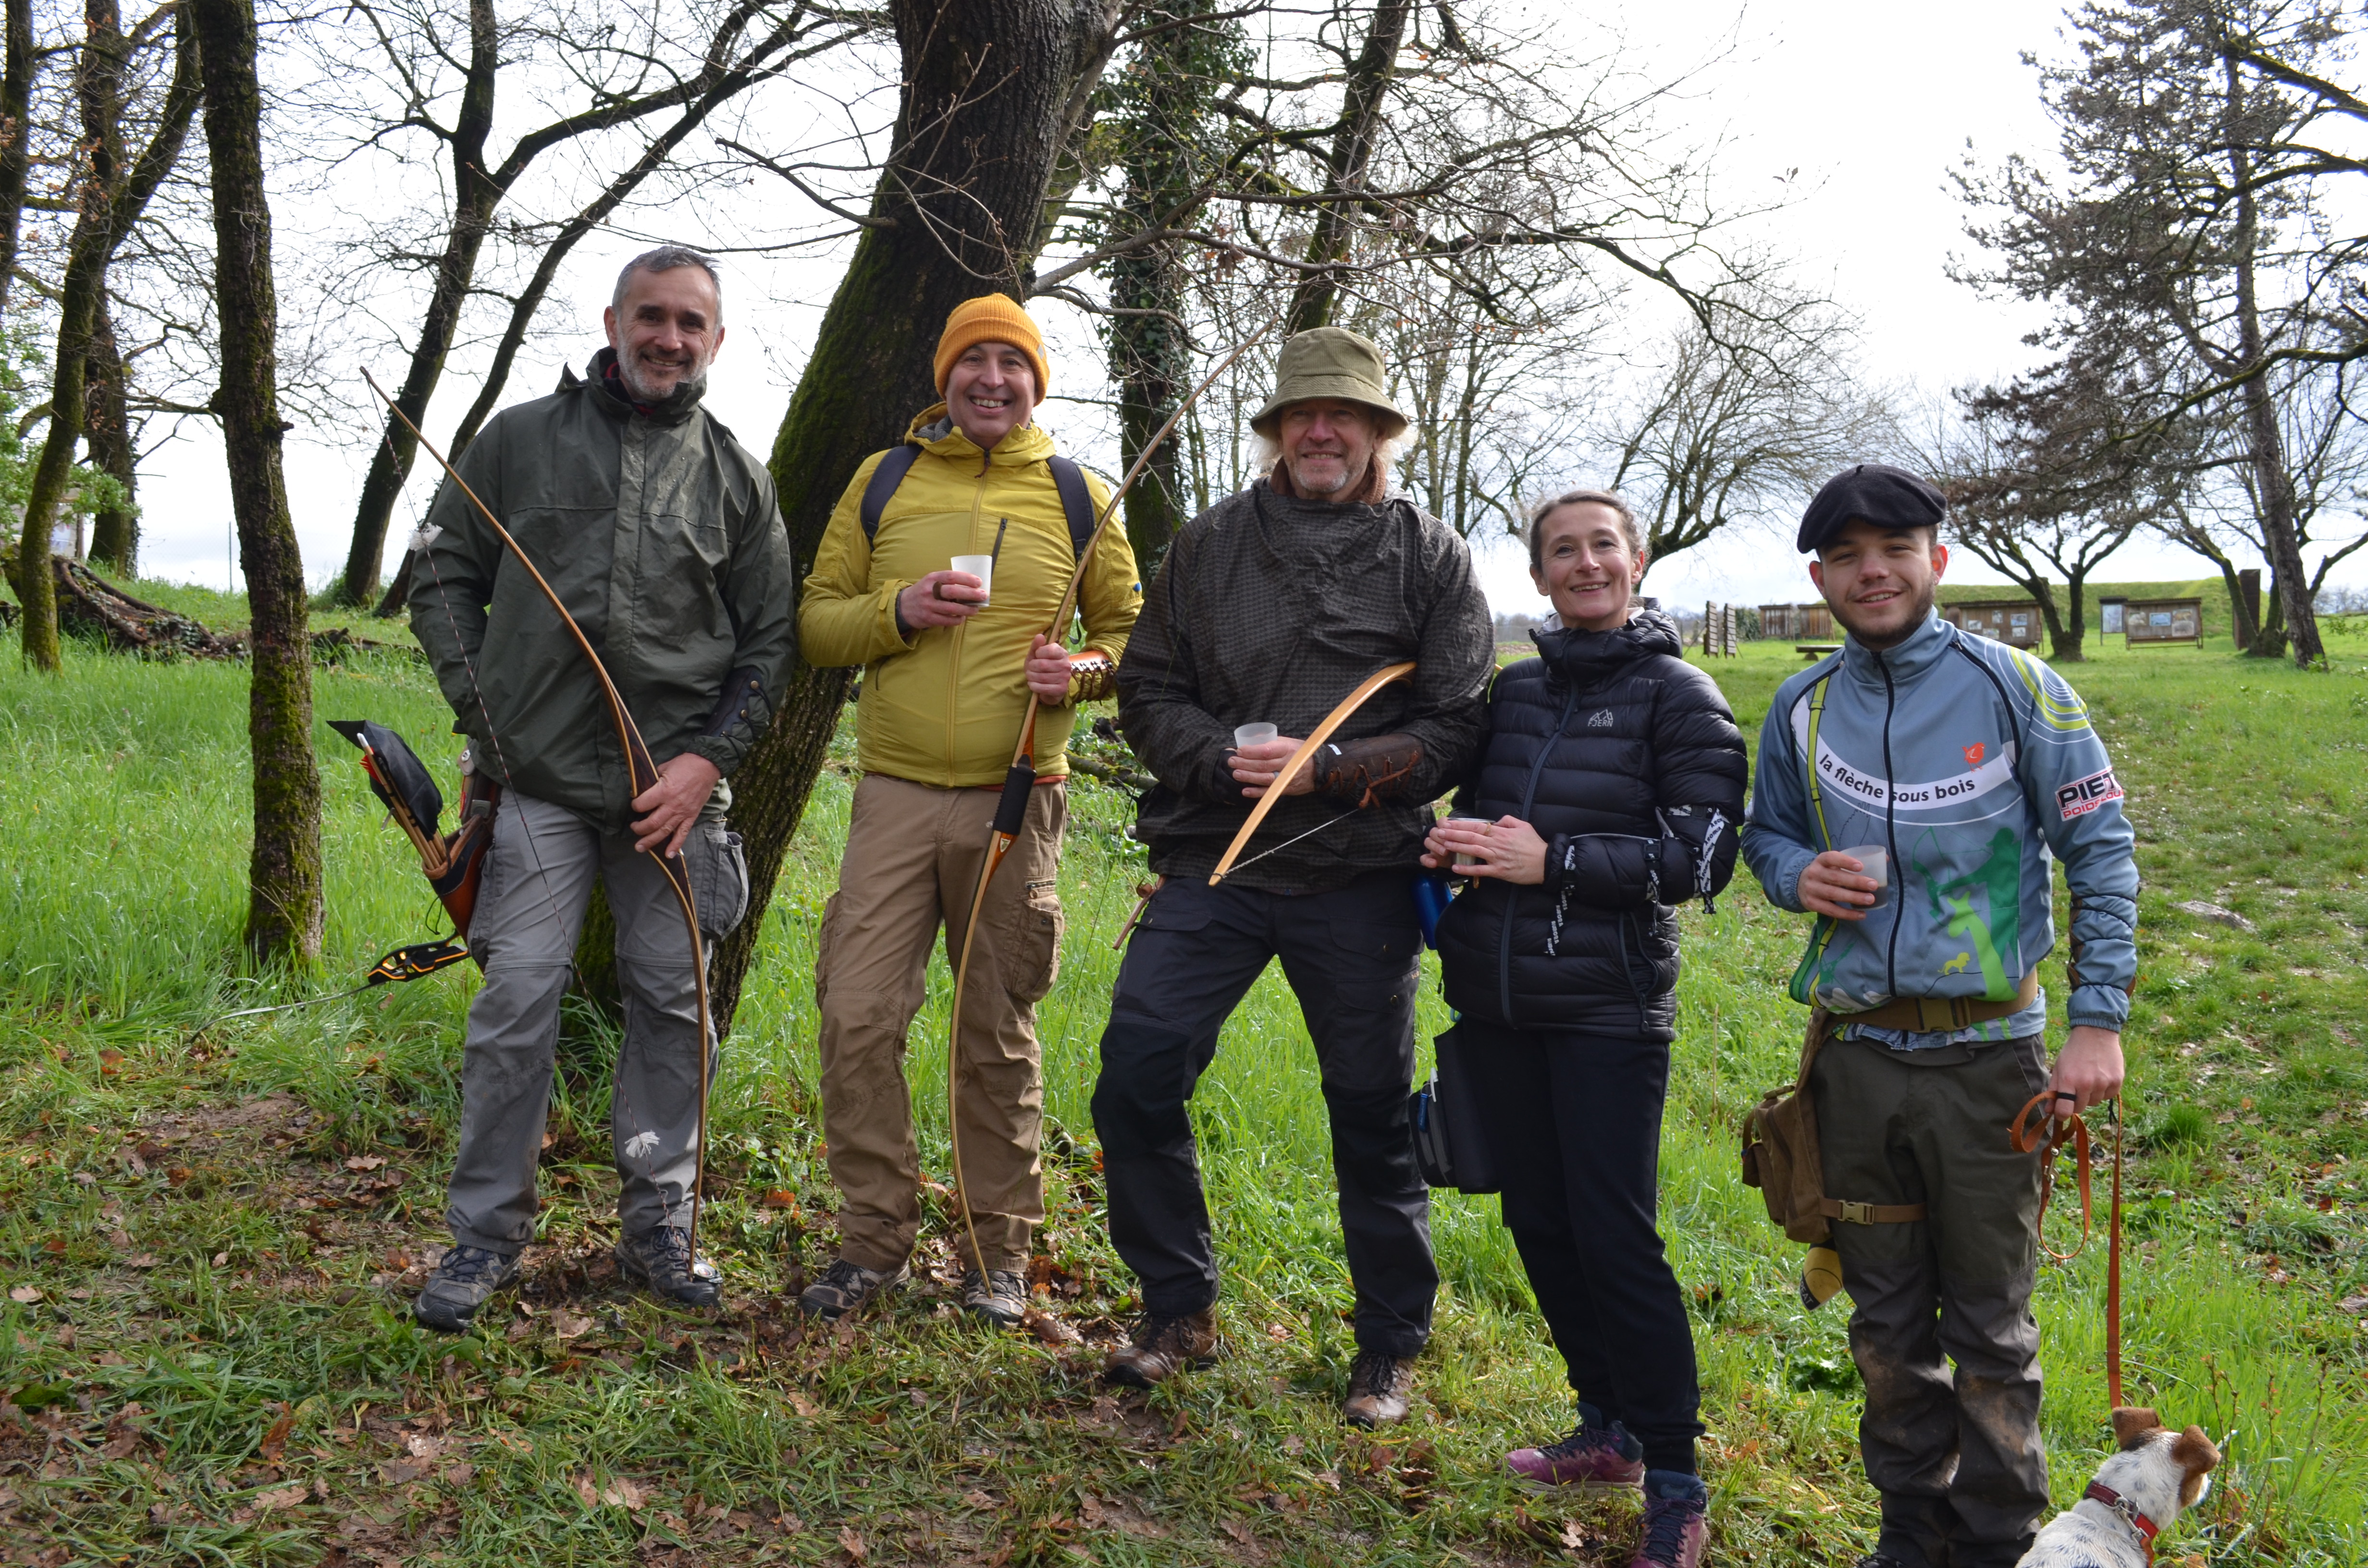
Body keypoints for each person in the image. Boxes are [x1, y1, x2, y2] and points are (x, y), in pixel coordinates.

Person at [1088, 325, 1493, 1426]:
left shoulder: (1432, 556)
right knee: (1136, 1076)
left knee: (1369, 1113)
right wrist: (1215, 758)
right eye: (1301, 415)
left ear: (1375, 434)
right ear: (1275, 431)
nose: (1322, 431)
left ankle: (1387, 1347)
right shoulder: (1208, 546)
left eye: (1344, 417)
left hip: (1362, 878)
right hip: (1213, 867)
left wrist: (1333, 771)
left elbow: (1458, 725)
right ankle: (1176, 1308)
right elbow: (1147, 687)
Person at [1740, 464, 2137, 1568]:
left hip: (1990, 1068)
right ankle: (1909, 1541)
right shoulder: (1801, 704)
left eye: (1896, 550)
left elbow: (2100, 852)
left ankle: (2000, 1543)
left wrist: (2095, 1023)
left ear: (1937, 563)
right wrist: (1794, 875)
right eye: (1849, 557)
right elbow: (1760, 836)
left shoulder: (2020, 688)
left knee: (1991, 1332)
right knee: (1883, 1328)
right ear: (1819, 576)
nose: (1874, 572)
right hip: (1856, 1063)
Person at [407, 245, 797, 1331]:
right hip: (534, 788)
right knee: (515, 1004)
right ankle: (483, 1237)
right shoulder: (520, 440)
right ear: (614, 320)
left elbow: (772, 642)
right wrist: (487, 718)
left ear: (715, 340)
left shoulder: (736, 477)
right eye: (652, 315)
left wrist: (706, 762)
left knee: (675, 1007)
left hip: (673, 801)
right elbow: (438, 573)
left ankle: (658, 1229)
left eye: (691, 322)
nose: (669, 337)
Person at [796, 295, 1142, 1327]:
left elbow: (1132, 639)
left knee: (992, 1034)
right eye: (972, 363)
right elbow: (817, 624)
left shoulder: (1079, 494)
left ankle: (999, 1256)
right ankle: (873, 1242)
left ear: (1038, 381)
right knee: (857, 1016)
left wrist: (1075, 671)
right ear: (944, 378)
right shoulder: (884, 479)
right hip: (895, 794)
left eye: (1013, 364)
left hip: (1020, 796)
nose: (992, 380)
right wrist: (895, 614)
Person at [1421, 490, 1744, 1568]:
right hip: (1499, 1005)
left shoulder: (1681, 696)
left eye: (1602, 544)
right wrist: (1453, 846)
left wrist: (1550, 860)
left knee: (1616, 1239)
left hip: (1609, 1010)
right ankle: (1605, 1430)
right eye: (1563, 550)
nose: (1585, 563)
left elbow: (1700, 862)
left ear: (1638, 559)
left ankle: (1677, 1482)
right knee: (1539, 1225)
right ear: (1539, 576)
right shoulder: (1510, 695)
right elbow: (1487, 819)